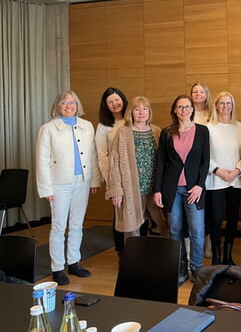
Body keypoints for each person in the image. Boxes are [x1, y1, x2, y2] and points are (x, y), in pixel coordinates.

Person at [35, 91, 102, 286]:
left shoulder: (87, 126)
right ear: (58, 106)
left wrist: (94, 181)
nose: (68, 106)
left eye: (72, 102)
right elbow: (42, 160)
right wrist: (46, 188)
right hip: (58, 183)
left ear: (77, 105)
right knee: (58, 226)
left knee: (77, 224)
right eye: (64, 103)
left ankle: (74, 261)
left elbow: (93, 155)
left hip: (82, 181)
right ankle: (57, 267)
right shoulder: (48, 129)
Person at [154, 95, 210, 283]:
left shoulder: (202, 131)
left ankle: (197, 268)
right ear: (175, 111)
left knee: (196, 229)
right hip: (172, 188)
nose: (184, 110)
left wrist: (199, 186)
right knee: (175, 227)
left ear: (192, 110)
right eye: (180, 107)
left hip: (194, 188)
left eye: (187, 106)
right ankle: (180, 269)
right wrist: (157, 190)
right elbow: (161, 162)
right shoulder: (166, 132)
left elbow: (205, 161)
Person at [107, 96, 168, 240]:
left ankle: (169, 257)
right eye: (137, 109)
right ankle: (133, 260)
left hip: (154, 189)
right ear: (131, 112)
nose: (141, 112)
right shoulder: (123, 133)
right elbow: (114, 163)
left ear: (149, 111)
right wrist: (116, 190)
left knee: (164, 223)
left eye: (145, 108)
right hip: (132, 189)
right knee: (132, 227)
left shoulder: (157, 131)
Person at [205, 91, 241, 265]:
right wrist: (217, 170)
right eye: (221, 103)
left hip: (235, 181)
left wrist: (237, 170)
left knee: (232, 218)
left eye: (228, 103)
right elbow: (203, 154)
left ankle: (228, 255)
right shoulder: (208, 127)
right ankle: (216, 256)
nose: (225, 106)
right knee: (215, 219)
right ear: (216, 106)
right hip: (215, 180)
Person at [94, 87, 128, 253]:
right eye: (110, 101)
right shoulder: (103, 127)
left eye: (117, 99)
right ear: (106, 105)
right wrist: (112, 181)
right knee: (120, 215)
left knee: (140, 214)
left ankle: (139, 250)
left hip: (135, 177)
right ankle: (121, 252)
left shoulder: (133, 118)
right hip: (116, 178)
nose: (115, 103)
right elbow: (102, 156)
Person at [191, 82, 213, 259]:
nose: (197, 94)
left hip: (211, 163)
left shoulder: (212, 114)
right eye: (194, 92)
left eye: (201, 92)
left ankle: (209, 244)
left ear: (206, 95)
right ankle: (194, 246)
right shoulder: (187, 112)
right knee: (197, 207)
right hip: (192, 168)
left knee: (211, 208)